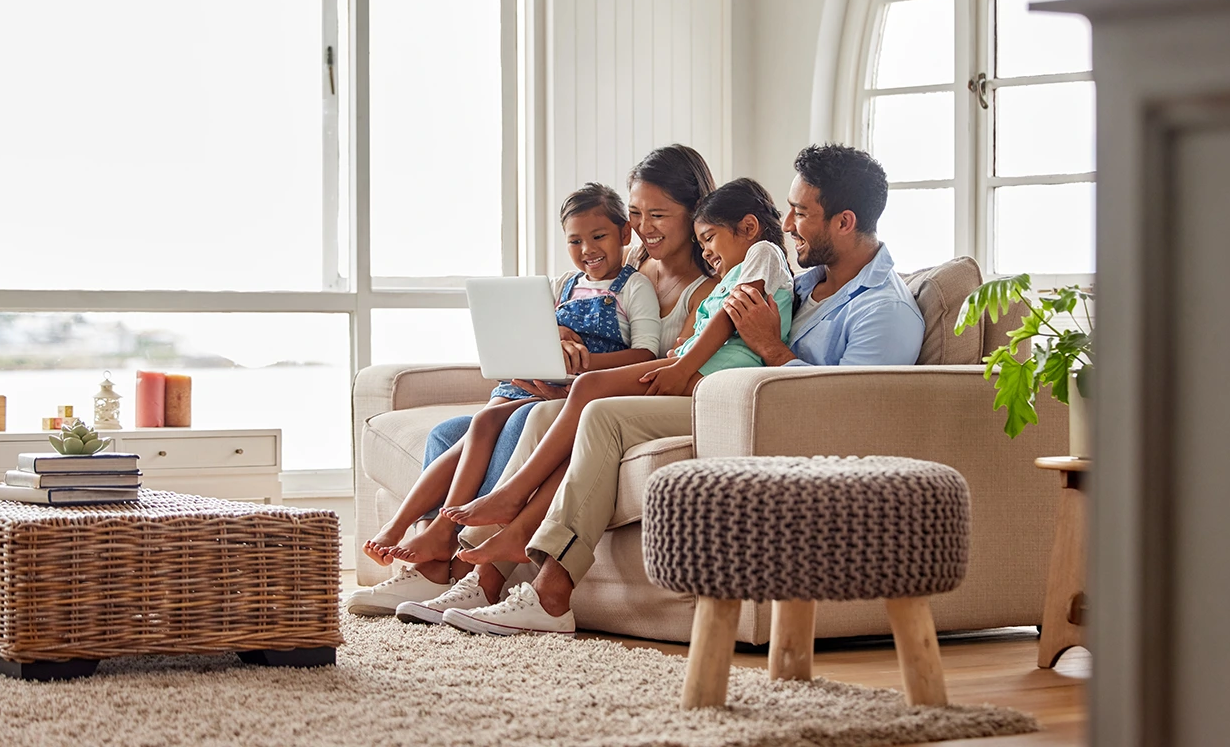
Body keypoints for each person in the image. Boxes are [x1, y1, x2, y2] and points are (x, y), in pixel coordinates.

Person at [440, 143, 925, 636]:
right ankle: (484, 576)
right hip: (721, 396)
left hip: (757, 418)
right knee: (549, 413)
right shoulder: (806, 280)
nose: (789, 221)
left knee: (605, 415)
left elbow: (851, 416)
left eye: (802, 213)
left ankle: (551, 594)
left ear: (844, 222)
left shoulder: (883, 311)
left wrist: (772, 349)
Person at [344, 145, 718, 618]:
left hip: (604, 397)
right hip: (559, 388)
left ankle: (452, 560)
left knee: (524, 422)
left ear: (695, 212)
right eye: (639, 213)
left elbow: (662, 362)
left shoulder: (705, 288)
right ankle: (435, 561)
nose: (645, 227)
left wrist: (579, 380)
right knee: (450, 432)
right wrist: (552, 338)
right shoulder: (621, 268)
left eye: (659, 215)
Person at [435, 178, 796, 636]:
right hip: (693, 375)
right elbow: (707, 321)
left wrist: (683, 367)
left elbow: (725, 321)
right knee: (552, 409)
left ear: (747, 227)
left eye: (709, 238)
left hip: (714, 389)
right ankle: (486, 579)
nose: (706, 251)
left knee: (597, 405)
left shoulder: (764, 253)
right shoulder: (716, 273)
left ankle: (545, 583)